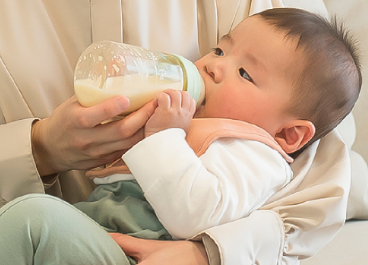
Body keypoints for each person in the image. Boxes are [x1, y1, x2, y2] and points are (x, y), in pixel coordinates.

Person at [0, 1, 359, 265]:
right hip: (103, 234)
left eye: (245, 74)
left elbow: (197, 214)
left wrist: (162, 139)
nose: (212, 65)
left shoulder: (256, 154)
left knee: (33, 220)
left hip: (140, 254)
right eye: (220, 50)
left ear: (289, 135)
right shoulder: (194, 127)